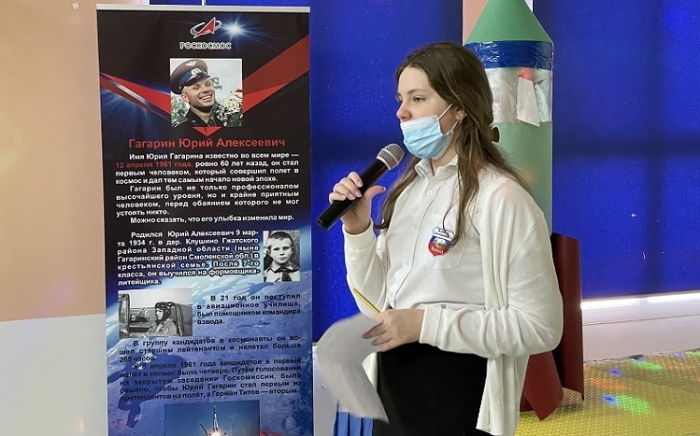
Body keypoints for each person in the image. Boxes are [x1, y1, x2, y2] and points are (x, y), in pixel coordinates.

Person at [327, 42, 563, 436]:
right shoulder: (409, 190)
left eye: (418, 99)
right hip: (394, 380)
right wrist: (357, 230)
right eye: (401, 99)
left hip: (458, 387)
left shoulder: (501, 199)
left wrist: (426, 325)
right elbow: (376, 301)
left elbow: (541, 326)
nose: (402, 112)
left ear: (460, 108)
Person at [170, 59, 220, 128]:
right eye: (196, 87)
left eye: (208, 84)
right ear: (185, 97)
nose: (205, 90)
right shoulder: (180, 129)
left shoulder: (226, 120)